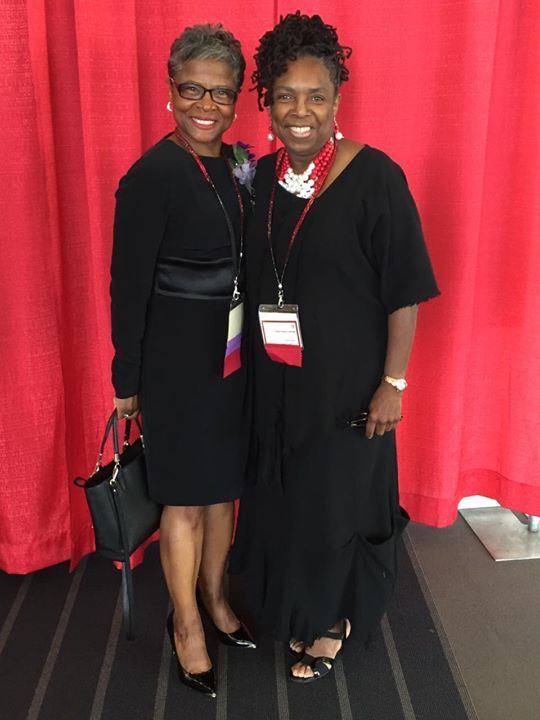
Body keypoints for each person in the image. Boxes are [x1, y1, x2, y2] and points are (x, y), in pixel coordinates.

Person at [230, 12, 440, 684]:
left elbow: (405, 292)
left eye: (316, 96)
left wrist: (393, 384)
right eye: (286, 96)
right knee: (282, 495)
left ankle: (332, 620)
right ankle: (289, 605)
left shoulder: (376, 178)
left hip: (347, 385)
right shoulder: (259, 177)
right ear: (266, 101)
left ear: (337, 100)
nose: (301, 112)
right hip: (274, 379)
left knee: (335, 501)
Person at [110, 24, 256, 699]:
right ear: (170, 91)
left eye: (221, 93)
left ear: (236, 100)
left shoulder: (238, 165)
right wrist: (127, 380)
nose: (207, 104)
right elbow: (127, 287)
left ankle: (217, 598)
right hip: (175, 372)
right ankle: (187, 625)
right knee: (186, 500)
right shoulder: (150, 177)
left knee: (224, 491)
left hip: (233, 363)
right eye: (193, 89)